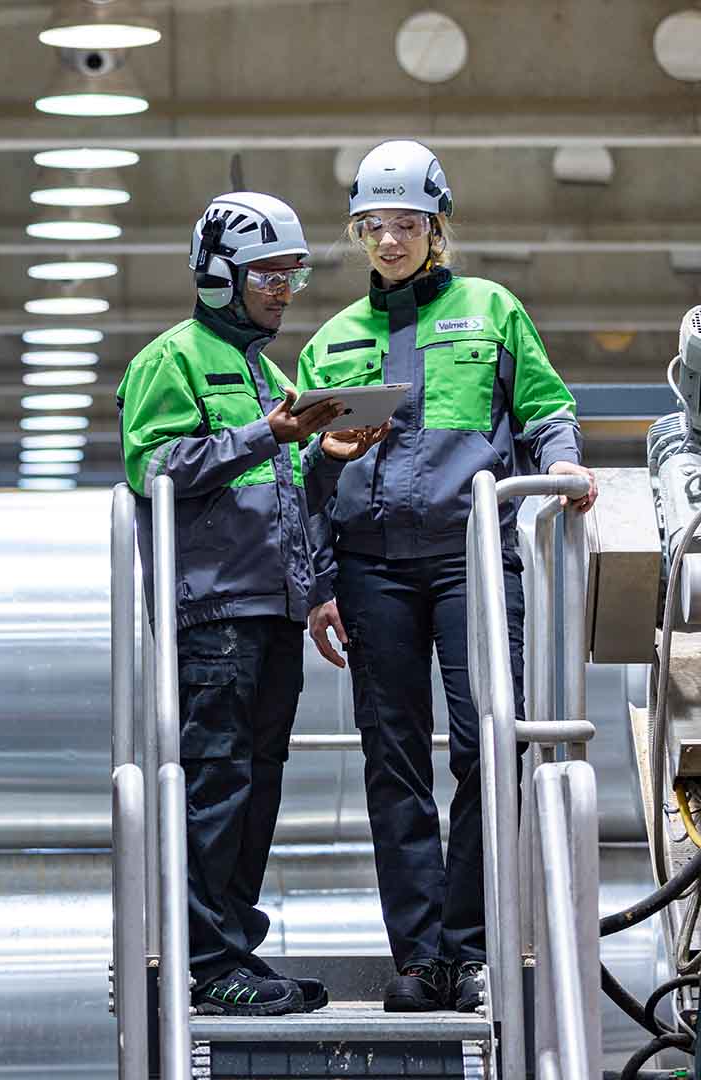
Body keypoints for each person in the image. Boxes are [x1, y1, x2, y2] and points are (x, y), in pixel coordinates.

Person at [294, 140, 598, 1014]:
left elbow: (544, 410)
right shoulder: (334, 341)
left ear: (438, 226)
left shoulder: (491, 310)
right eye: (373, 226)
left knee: (483, 747)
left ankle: (470, 948)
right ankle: (421, 959)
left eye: (406, 224)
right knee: (393, 764)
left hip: (473, 561)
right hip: (372, 569)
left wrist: (568, 469)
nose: (389, 240)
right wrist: (319, 583)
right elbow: (310, 481)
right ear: (358, 232)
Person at [119, 192, 387, 1017]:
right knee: (216, 786)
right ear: (217, 277)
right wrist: (269, 434)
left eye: (291, 274)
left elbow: (285, 495)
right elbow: (156, 468)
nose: (282, 289)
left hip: (269, 611)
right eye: (267, 273)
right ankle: (204, 960)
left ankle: (232, 949)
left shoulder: (270, 374)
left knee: (257, 788)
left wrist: (328, 458)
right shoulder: (174, 360)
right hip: (212, 611)